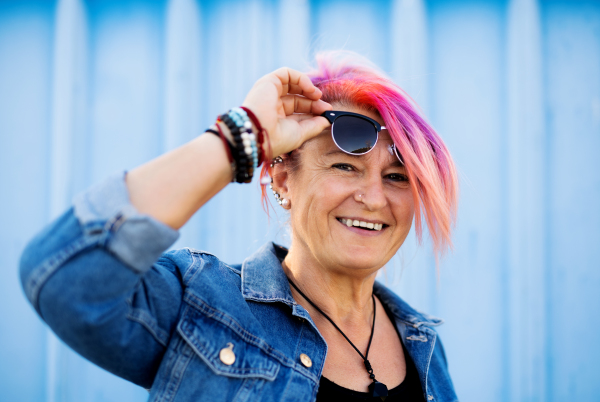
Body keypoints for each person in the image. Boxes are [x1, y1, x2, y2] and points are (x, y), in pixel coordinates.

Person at [20, 52, 459, 402]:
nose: (375, 197)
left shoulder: (423, 346)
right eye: (345, 167)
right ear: (283, 179)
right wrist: (241, 136)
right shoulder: (205, 307)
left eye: (398, 177)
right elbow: (65, 280)